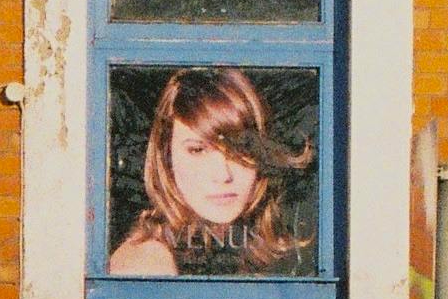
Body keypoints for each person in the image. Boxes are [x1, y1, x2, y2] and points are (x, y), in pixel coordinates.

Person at [107, 67, 314, 280]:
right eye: (197, 150)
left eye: (241, 149)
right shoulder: (148, 264)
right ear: (166, 157)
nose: (223, 174)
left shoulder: (260, 245)